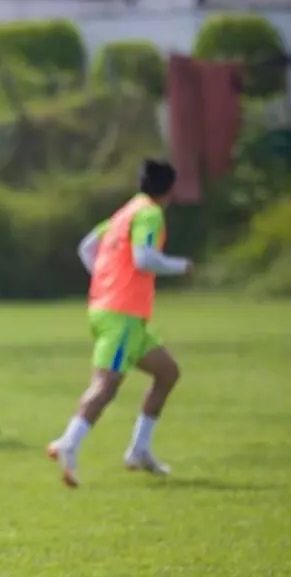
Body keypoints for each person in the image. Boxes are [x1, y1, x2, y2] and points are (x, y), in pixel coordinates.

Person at [46, 158, 191, 488]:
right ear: (170, 189)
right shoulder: (150, 213)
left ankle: (139, 450)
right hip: (121, 313)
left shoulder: (125, 211)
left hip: (122, 314)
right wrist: (181, 266)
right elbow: (144, 258)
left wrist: (105, 279)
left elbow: (87, 247)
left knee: (167, 373)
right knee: (105, 385)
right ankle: (68, 443)